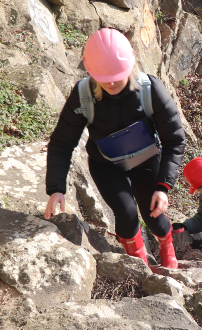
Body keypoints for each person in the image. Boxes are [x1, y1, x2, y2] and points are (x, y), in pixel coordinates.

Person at [45, 28, 185, 269]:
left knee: (154, 217)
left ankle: (166, 244)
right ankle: (139, 265)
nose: (110, 82)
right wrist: (56, 188)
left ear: (130, 65)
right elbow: (62, 142)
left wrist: (164, 187)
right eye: (103, 76)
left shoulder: (150, 90)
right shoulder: (84, 95)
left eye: (116, 76)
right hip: (106, 165)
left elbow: (174, 140)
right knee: (127, 214)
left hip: (146, 160)